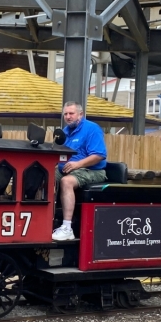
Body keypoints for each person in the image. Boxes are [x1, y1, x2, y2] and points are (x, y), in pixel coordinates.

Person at [52, 101, 108, 241]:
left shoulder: (92, 129)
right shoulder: (64, 132)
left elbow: (99, 155)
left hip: (92, 170)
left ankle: (67, 228)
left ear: (80, 114)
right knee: (45, 176)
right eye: (65, 114)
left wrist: (77, 164)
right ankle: (47, 220)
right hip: (66, 168)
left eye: (71, 113)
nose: (68, 117)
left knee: (66, 181)